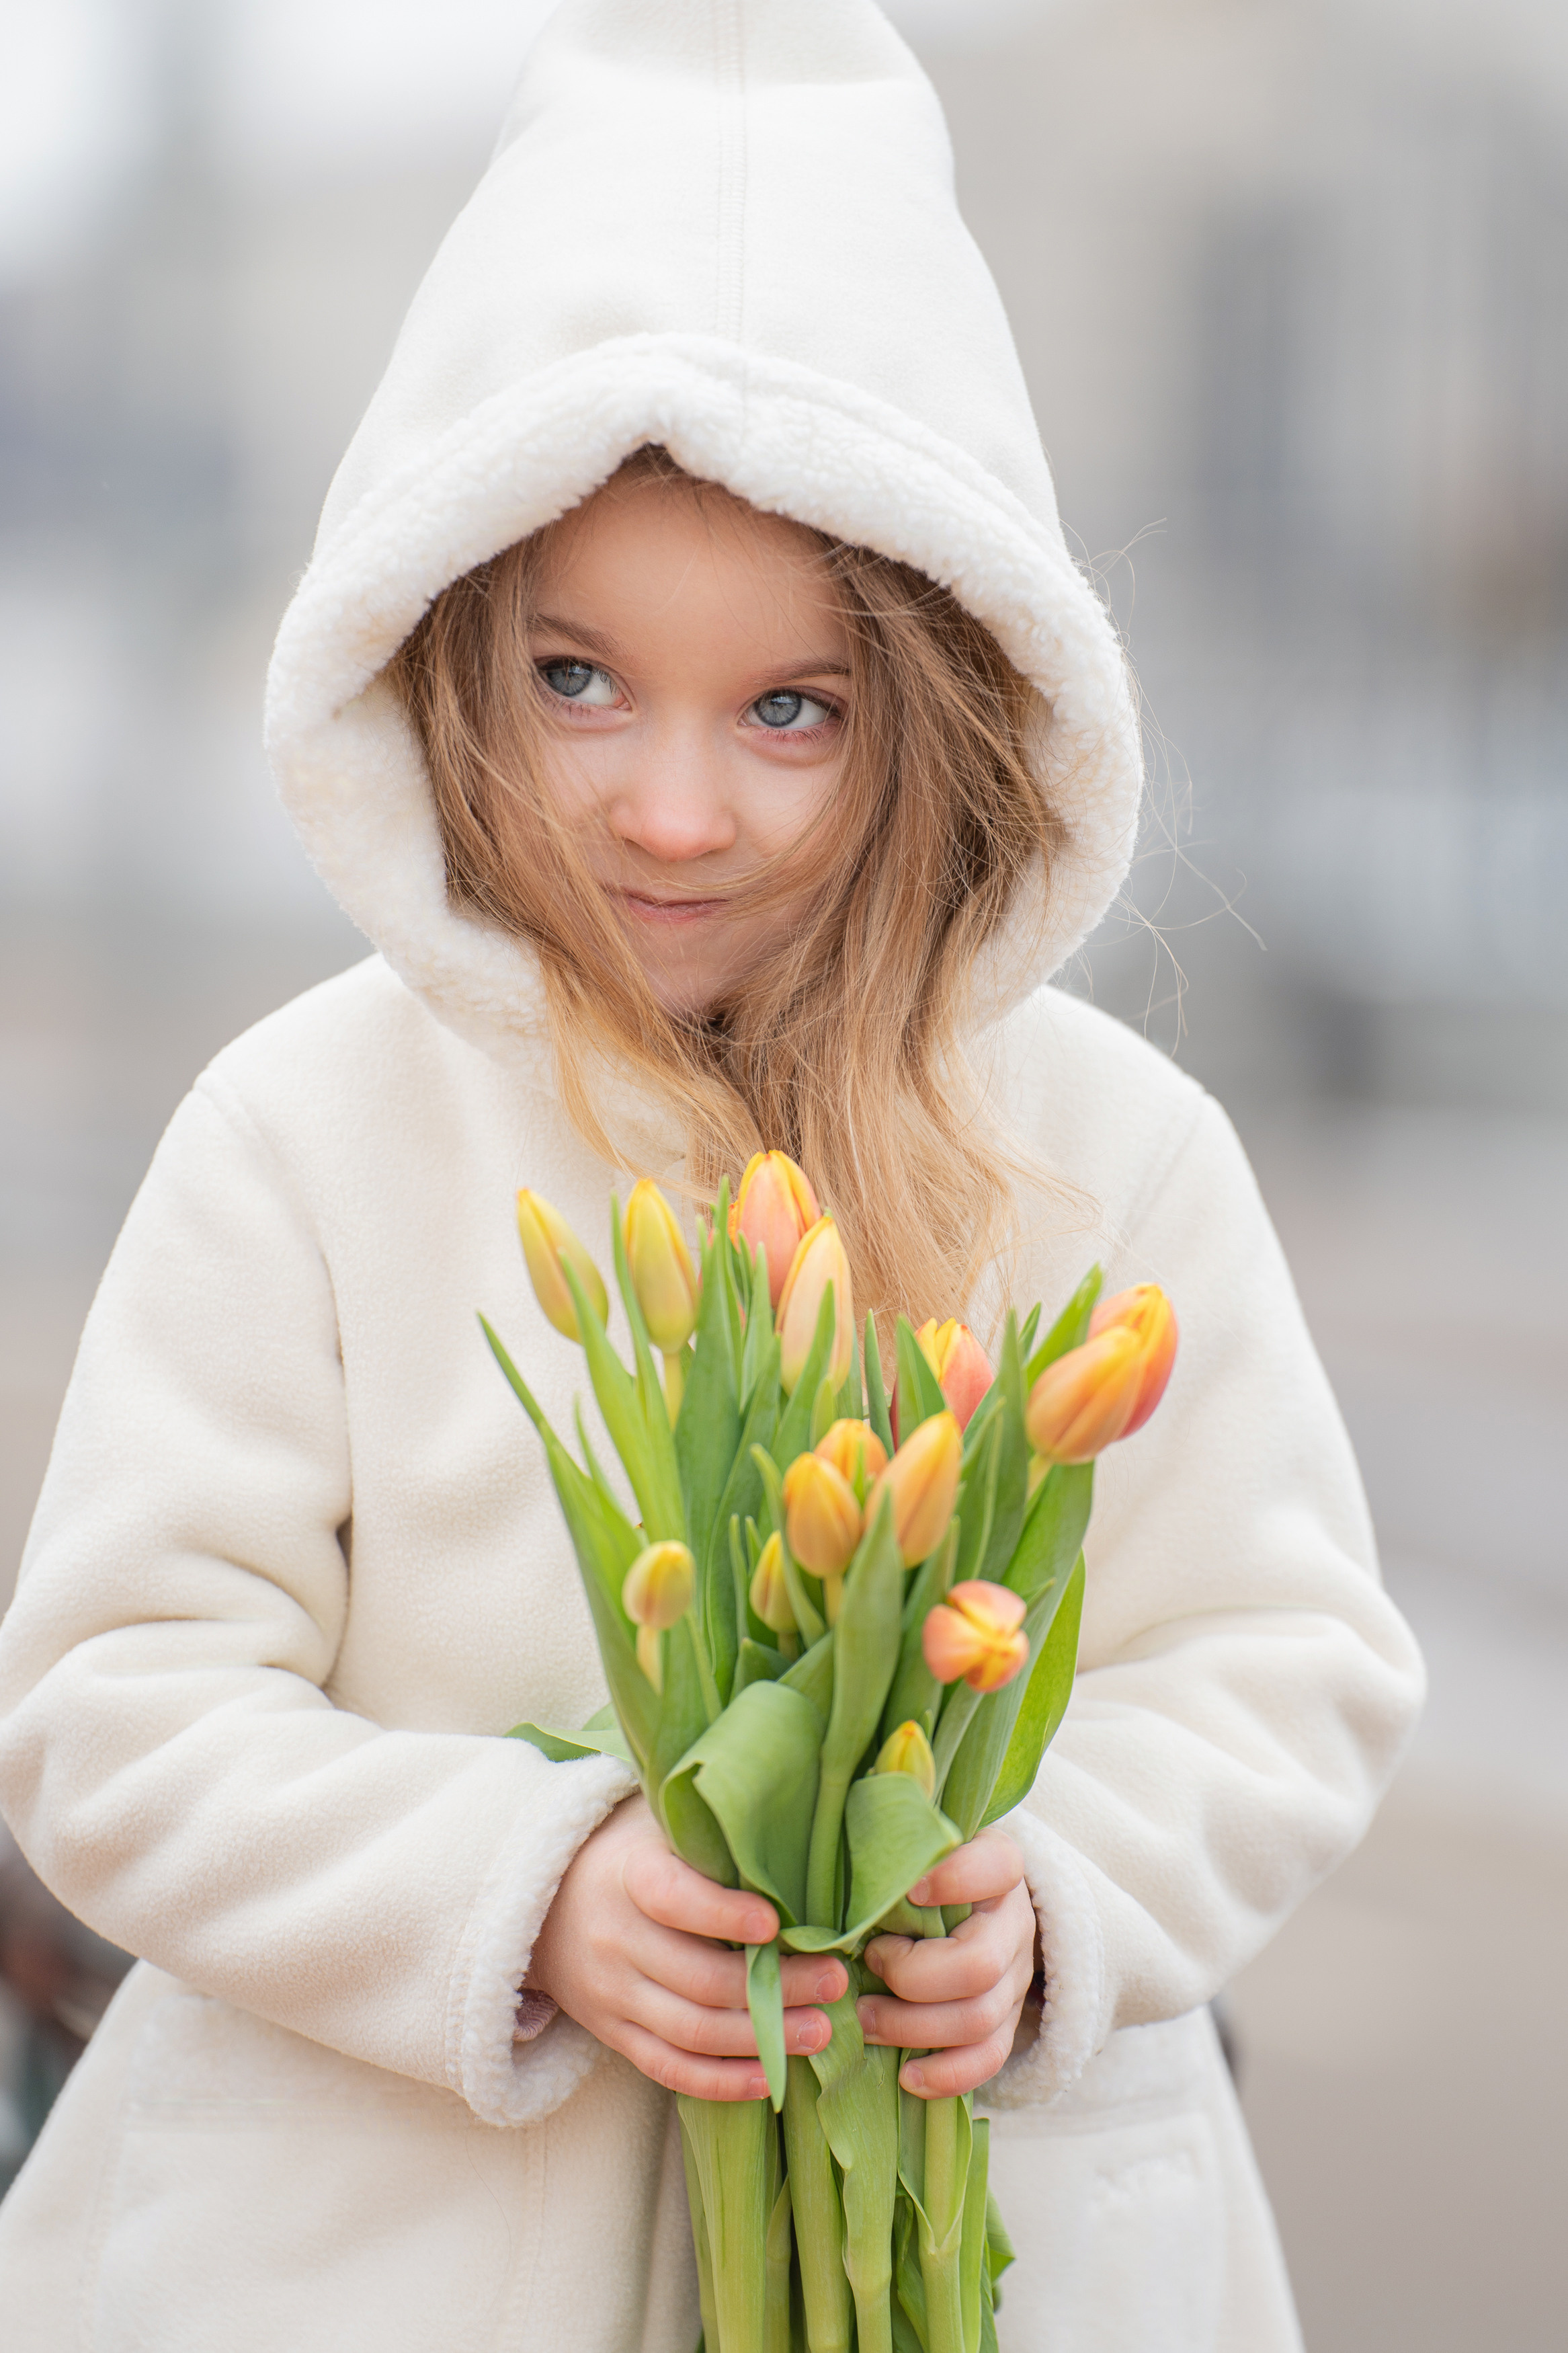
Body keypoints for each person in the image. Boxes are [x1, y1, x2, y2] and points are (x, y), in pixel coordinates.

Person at [0, 4, 1423, 2347]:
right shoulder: (306, 1134)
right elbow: (115, 1707)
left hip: (991, 2253)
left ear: (952, 703)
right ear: (446, 646)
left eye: (792, 708)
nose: (675, 810)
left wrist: (1052, 1891)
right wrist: (519, 1883)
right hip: (369, 2264)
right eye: (579, 681)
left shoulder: (1101, 1155)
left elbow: (1282, 1658)